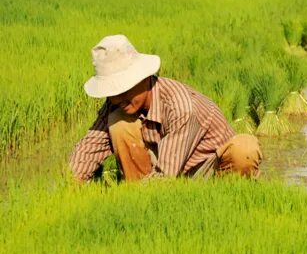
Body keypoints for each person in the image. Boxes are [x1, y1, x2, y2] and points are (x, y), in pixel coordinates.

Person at [69, 35, 261, 182]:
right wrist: (67, 185)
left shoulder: (180, 107)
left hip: (208, 171)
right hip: (167, 174)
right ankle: (136, 198)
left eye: (122, 89)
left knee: (244, 149)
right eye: (112, 92)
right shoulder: (117, 102)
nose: (117, 98)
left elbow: (166, 176)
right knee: (119, 122)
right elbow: (89, 148)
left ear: (143, 78)